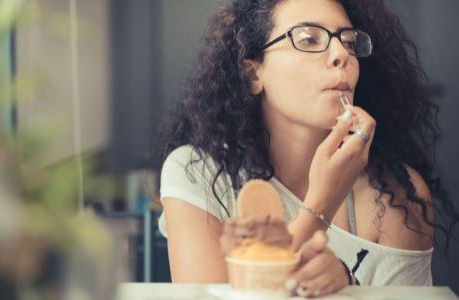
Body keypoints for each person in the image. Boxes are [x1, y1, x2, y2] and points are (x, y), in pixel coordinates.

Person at [157, 0, 459, 297]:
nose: (341, 54)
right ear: (253, 74)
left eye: (349, 42)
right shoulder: (197, 172)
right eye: (309, 38)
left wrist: (348, 285)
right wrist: (319, 208)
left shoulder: (396, 195)